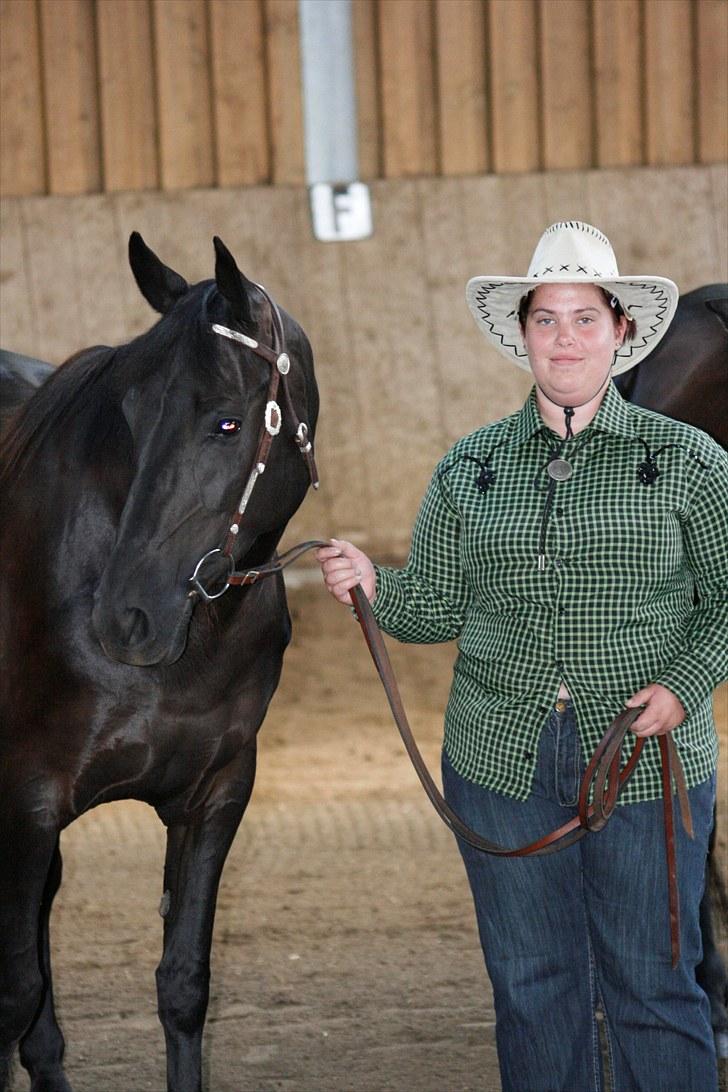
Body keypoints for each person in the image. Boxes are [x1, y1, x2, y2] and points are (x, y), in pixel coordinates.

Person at [317, 221, 727, 1092]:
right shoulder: (470, 468)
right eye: (547, 319)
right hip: (500, 762)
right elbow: (433, 607)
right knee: (533, 988)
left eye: (586, 317)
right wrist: (372, 583)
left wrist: (684, 689)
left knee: (653, 986)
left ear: (622, 330)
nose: (566, 338)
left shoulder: (691, 462)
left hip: (647, 765)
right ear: (523, 335)